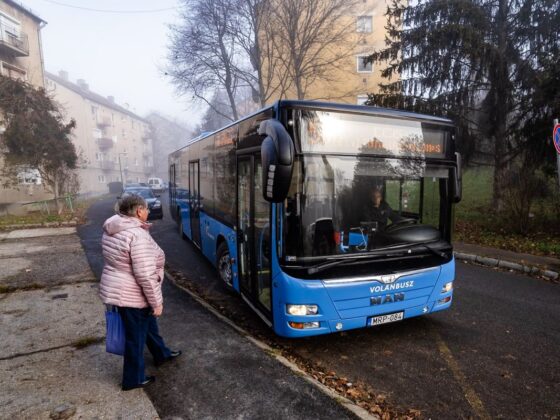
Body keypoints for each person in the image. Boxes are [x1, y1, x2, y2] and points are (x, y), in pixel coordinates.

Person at [99, 193, 181, 391]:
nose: (148, 211)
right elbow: (145, 275)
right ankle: (133, 379)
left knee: (148, 326)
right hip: (132, 294)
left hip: (119, 287)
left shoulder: (114, 227)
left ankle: (161, 353)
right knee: (135, 338)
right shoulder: (137, 235)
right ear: (138, 211)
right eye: (146, 208)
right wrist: (157, 303)